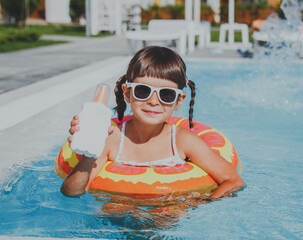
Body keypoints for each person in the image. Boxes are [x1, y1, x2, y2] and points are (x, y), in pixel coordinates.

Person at [61, 46, 245, 199]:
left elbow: (233, 181)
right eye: (142, 91)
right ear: (127, 93)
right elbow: (72, 192)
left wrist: (202, 206)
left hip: (169, 214)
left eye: (166, 94)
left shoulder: (183, 140)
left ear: (178, 100)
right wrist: (90, 150)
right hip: (116, 214)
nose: (154, 101)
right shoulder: (112, 138)